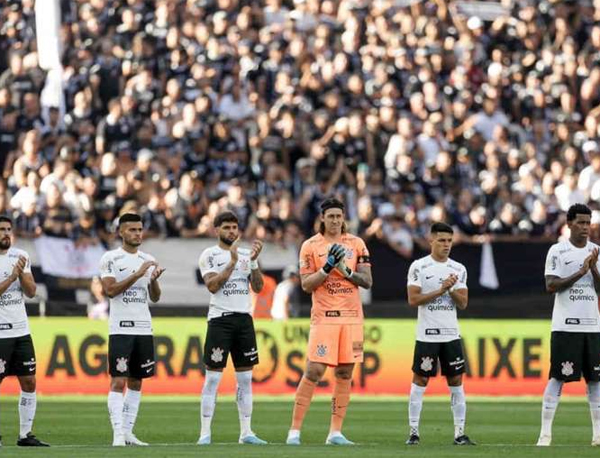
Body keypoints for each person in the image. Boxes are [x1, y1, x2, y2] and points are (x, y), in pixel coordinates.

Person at [286, 197, 372, 445]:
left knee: (345, 373)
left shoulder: (356, 244)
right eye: (331, 216)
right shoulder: (310, 245)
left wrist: (344, 270)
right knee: (313, 371)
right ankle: (294, 431)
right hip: (325, 318)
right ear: (322, 218)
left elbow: (367, 282)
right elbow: (305, 284)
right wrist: (327, 267)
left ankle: (335, 432)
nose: (335, 220)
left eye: (339, 216)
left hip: (352, 318)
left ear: (343, 218)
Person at [197, 210, 267, 445]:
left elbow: (257, 287)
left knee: (246, 379)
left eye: (235, 228)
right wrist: (234, 262)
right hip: (220, 320)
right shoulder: (209, 255)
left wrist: (254, 262)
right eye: (226, 228)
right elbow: (212, 286)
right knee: (213, 379)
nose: (232, 232)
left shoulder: (246, 254)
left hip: (244, 320)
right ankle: (205, 433)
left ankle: (246, 432)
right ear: (217, 230)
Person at [99, 213, 165, 447]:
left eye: (139, 229)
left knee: (137, 382)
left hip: (144, 328)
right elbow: (110, 290)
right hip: (121, 329)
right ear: (121, 232)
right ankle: (117, 434)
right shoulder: (111, 258)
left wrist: (153, 280)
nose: (137, 233)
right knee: (119, 381)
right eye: (132, 230)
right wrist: (137, 274)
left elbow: (155, 298)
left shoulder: (148, 258)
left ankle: (128, 432)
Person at [405, 222, 474, 446]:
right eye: (441, 240)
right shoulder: (419, 266)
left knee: (456, 381)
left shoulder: (459, 268)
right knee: (421, 379)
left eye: (449, 241)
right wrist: (441, 290)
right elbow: (413, 300)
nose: (446, 245)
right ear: (431, 240)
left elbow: (463, 304)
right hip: (427, 334)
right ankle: (413, 432)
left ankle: (460, 433)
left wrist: (451, 289)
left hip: (451, 334)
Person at [537, 203, 600, 446]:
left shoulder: (597, 251)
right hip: (565, 326)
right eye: (581, 222)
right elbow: (550, 285)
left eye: (588, 222)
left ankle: (597, 435)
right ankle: (545, 434)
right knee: (557, 378)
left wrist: (592, 267)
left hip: (592, 327)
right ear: (569, 224)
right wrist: (580, 271)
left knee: (595, 380)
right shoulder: (557, 251)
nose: (586, 227)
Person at [0, 216, 48, 447]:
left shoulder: (21, 256)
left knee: (29, 381)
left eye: (8, 229)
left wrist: (20, 273)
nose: (6, 233)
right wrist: (11, 276)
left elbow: (30, 292)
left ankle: (25, 435)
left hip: (21, 332)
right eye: (1, 229)